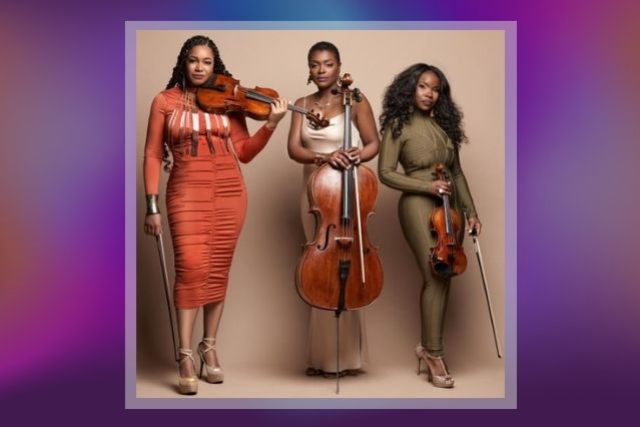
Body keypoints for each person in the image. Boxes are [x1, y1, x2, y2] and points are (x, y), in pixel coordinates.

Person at [142, 35, 287, 395]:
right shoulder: (164, 101)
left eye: (207, 62)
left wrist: (271, 123)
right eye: (194, 60)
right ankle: (186, 353)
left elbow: (245, 152)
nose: (200, 68)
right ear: (184, 62)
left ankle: (210, 346)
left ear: (215, 65)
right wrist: (152, 205)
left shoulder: (227, 102)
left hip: (229, 192)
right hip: (185, 191)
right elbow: (152, 155)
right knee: (191, 266)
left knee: (218, 266)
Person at [378, 63, 482, 388]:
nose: (429, 94)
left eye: (435, 89)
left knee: (447, 274)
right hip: (418, 201)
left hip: (451, 209)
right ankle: (433, 353)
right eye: (423, 86)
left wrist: (472, 211)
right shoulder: (398, 125)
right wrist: (426, 187)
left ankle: (427, 348)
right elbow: (385, 172)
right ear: (410, 88)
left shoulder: (445, 128)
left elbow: (458, 173)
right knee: (435, 273)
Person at [287, 41, 380, 378]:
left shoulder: (355, 99)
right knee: (319, 268)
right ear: (309, 69)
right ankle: (321, 356)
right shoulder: (300, 105)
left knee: (350, 266)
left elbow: (373, 143)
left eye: (328, 64)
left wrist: (357, 155)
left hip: (348, 192)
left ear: (339, 66)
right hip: (314, 198)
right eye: (315, 64)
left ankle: (348, 357)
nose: (321, 70)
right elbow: (294, 149)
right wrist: (323, 157)